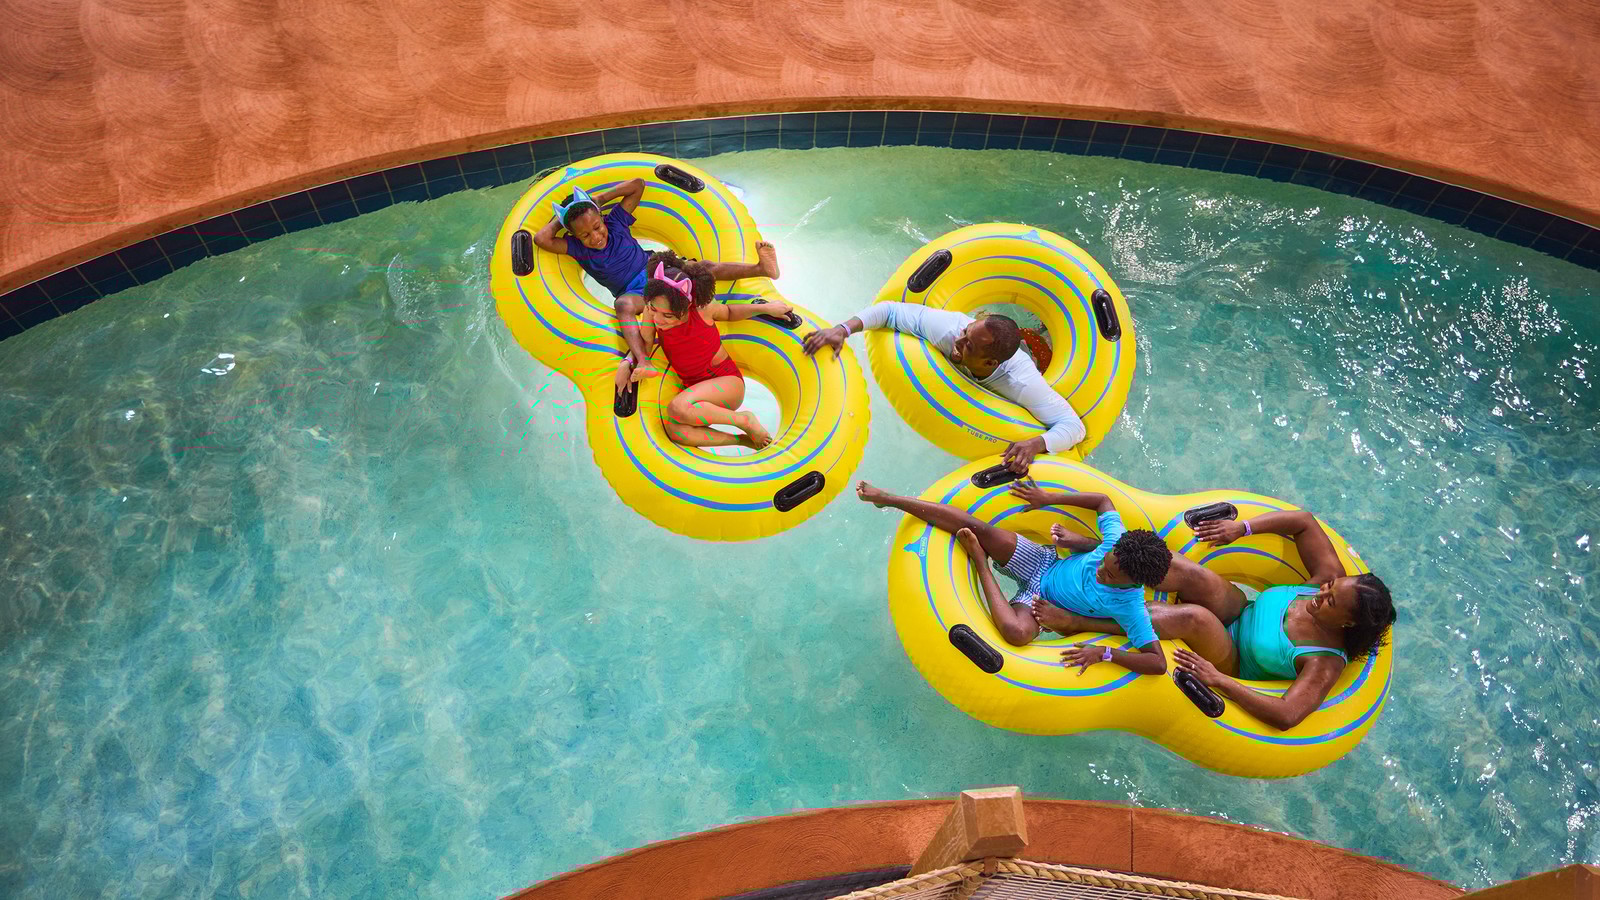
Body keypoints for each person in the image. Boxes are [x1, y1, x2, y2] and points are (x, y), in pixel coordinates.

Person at [1032, 509, 1397, 730]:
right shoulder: (1326, 579)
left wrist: (1219, 678)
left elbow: (1287, 715)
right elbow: (1303, 521)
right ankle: (1095, 558)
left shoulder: (1324, 661)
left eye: (1330, 601)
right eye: (1329, 587)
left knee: (1196, 619)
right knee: (1187, 571)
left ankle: (1076, 621)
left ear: (1348, 623)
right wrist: (1243, 528)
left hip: (1232, 657)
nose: (1321, 593)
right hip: (1241, 609)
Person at [855, 479, 1171, 675]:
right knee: (981, 529)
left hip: (1042, 605)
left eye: (1109, 574)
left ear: (1132, 583)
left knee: (1016, 634)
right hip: (1043, 562)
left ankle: (981, 563)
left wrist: (1105, 653)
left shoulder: (1131, 606)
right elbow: (1103, 500)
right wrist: (1047, 498)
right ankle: (890, 499)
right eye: (1105, 560)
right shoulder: (1116, 541)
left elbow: (1157, 663)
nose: (1101, 568)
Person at [531, 180, 780, 398]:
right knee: (622, 305)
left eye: (597, 227)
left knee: (703, 267)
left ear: (601, 217)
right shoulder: (576, 247)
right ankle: (643, 360)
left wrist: (599, 199)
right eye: (585, 235)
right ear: (575, 236)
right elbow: (541, 239)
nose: (595, 237)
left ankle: (761, 268)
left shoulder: (615, 222)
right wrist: (562, 221)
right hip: (635, 292)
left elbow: (637, 185)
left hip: (657, 269)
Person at [802, 303, 1086, 471]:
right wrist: (842, 330)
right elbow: (890, 311)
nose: (958, 343)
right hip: (981, 353)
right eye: (965, 333)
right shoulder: (950, 329)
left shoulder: (1021, 383)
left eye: (968, 345)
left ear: (989, 363)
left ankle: (1036, 333)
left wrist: (1036, 443)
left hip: (1025, 361)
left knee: (1036, 351)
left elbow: (1073, 426)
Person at [634, 253, 789, 449]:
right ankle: (740, 440)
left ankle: (743, 419)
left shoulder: (702, 310)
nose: (658, 319)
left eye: (668, 316)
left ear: (686, 307)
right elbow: (646, 341)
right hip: (693, 390)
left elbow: (730, 312)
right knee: (675, 431)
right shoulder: (652, 311)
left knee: (676, 408)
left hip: (726, 383)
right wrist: (637, 363)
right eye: (653, 309)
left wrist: (767, 308)